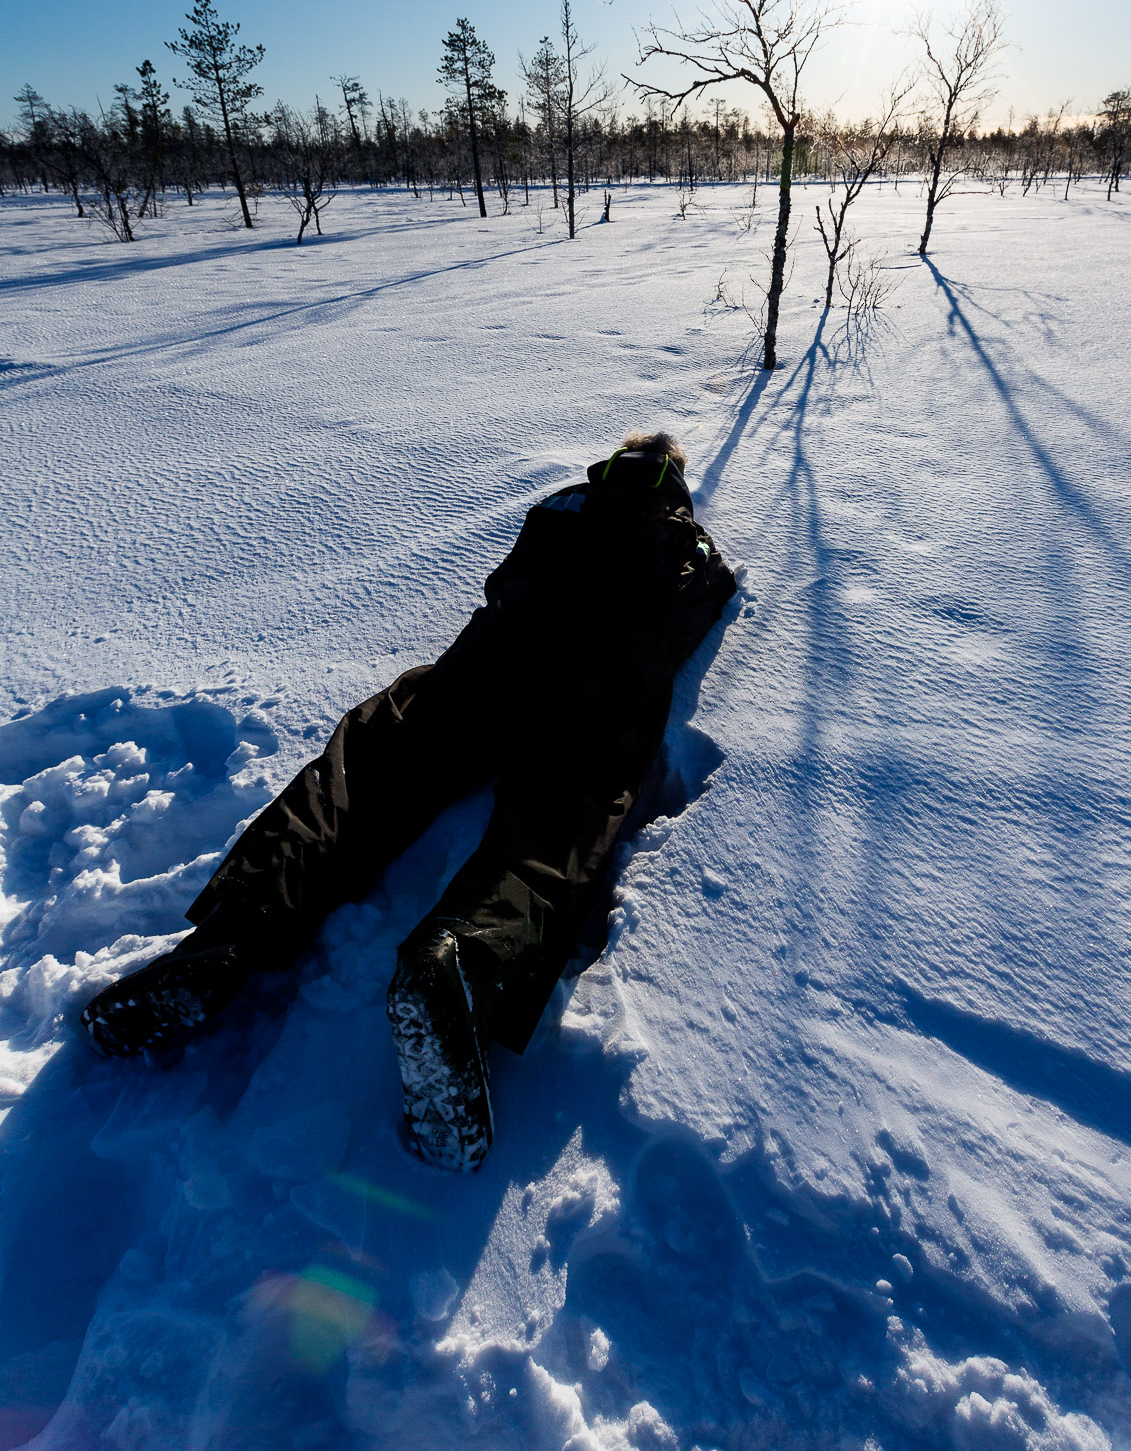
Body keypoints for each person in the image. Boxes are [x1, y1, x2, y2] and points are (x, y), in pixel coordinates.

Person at [80, 431, 736, 1171]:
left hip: (498, 653)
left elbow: (506, 577)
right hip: (606, 685)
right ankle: (462, 957)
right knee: (559, 822)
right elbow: (696, 616)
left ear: (615, 464)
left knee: (373, 766)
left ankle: (229, 939)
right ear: (674, 480)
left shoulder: (561, 503)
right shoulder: (695, 546)